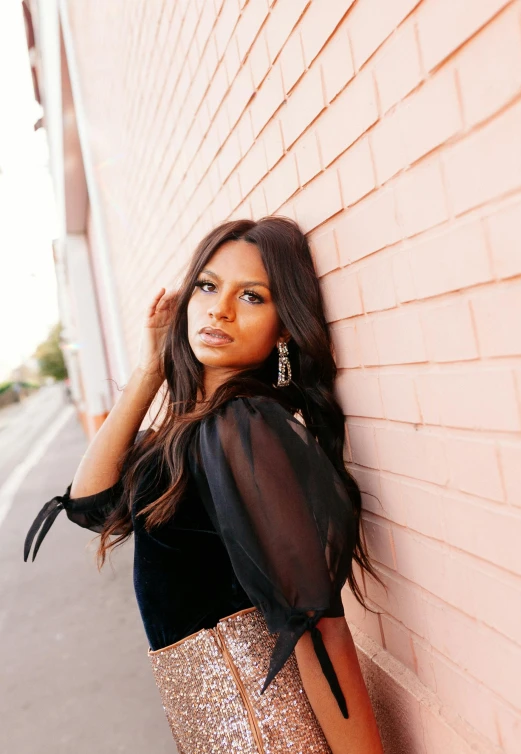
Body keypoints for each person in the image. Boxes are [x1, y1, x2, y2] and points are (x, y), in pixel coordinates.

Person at [23, 216, 384, 753]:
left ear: (284, 327)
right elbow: (89, 502)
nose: (219, 309)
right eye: (208, 286)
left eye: (253, 297)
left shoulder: (245, 426)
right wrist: (152, 368)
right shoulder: (194, 428)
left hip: (259, 729)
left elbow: (318, 625)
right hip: (214, 727)